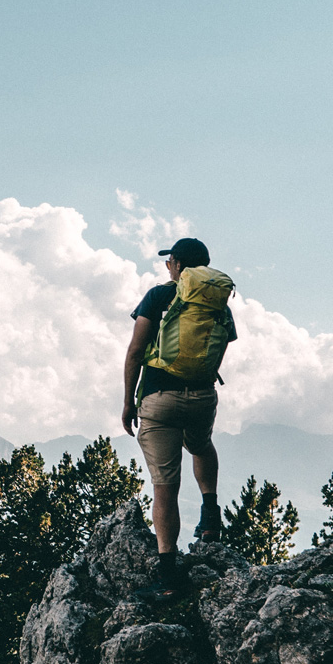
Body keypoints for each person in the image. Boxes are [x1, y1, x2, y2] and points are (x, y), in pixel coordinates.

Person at [121, 236, 236, 596]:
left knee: (165, 486)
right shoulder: (218, 305)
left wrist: (128, 402)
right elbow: (222, 345)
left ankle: (168, 575)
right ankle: (211, 512)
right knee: (201, 445)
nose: (167, 266)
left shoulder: (158, 296)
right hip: (202, 396)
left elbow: (136, 351)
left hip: (159, 398)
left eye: (169, 261)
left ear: (177, 265)